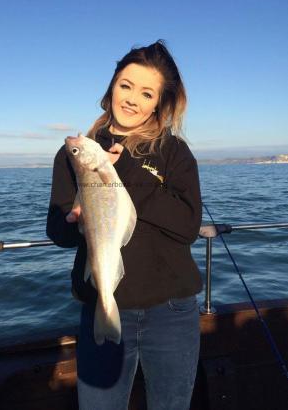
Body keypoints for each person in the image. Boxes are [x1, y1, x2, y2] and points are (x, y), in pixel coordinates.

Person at [46, 40, 203, 410]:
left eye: (146, 92)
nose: (132, 99)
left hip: (172, 313)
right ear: (112, 86)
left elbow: (188, 225)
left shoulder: (174, 153)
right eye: (126, 85)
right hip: (103, 302)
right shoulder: (77, 154)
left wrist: (127, 171)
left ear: (158, 103)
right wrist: (73, 224)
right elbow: (57, 230)